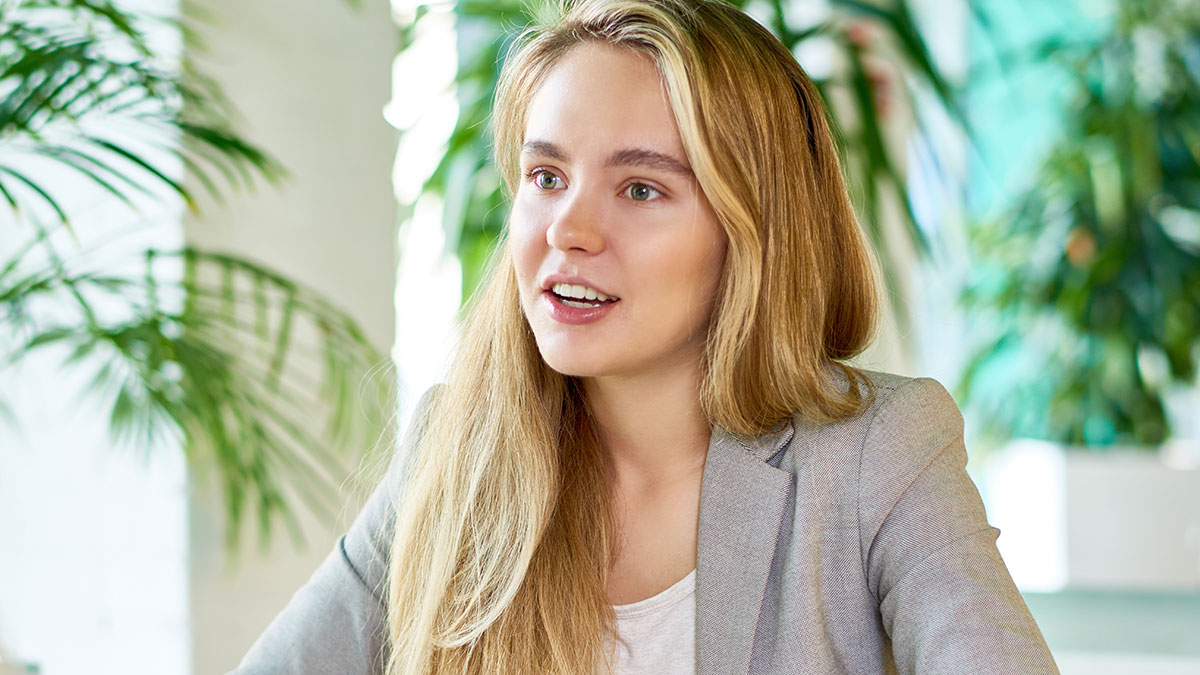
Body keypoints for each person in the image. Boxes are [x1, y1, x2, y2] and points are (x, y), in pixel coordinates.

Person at [234, 0, 1059, 673]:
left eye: (639, 188)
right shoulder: (455, 451)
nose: (570, 228)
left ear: (753, 232)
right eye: (546, 176)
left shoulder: (874, 453)